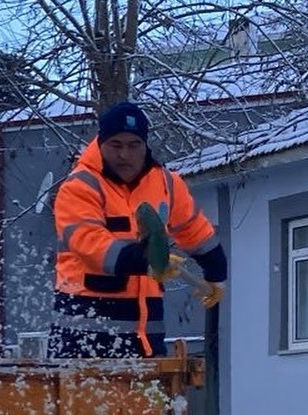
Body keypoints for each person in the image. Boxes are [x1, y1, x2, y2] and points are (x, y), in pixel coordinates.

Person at [50, 100, 227, 359]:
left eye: (134, 145)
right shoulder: (80, 187)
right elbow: (91, 244)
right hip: (84, 337)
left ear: (145, 146)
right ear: (100, 144)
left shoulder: (166, 183)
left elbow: (193, 229)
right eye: (116, 145)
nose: (125, 154)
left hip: (147, 337)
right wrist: (147, 261)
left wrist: (216, 273)